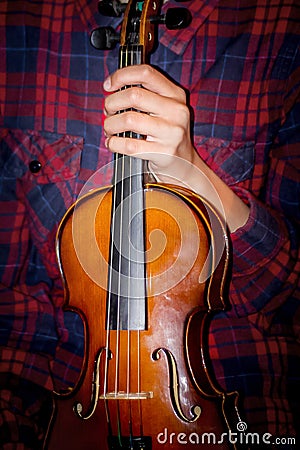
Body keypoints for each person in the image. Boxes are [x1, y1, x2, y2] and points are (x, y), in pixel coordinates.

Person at [0, 0, 299, 448]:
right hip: (68, 408)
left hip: (240, 410)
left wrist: (196, 174)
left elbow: (287, 297)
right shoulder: (16, 24)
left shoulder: (281, 26)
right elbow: (14, 313)